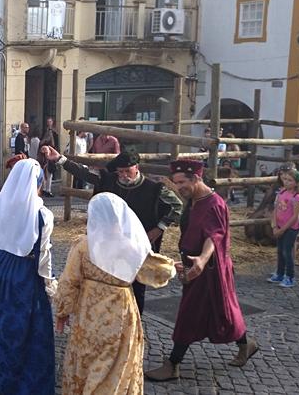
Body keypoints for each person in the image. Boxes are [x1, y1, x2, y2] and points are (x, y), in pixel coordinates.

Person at [146, 160, 257, 382]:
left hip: (209, 270)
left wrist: (201, 260)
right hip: (194, 265)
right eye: (175, 183)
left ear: (197, 179)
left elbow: (214, 236)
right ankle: (246, 343)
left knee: (189, 313)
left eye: (182, 183)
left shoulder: (213, 204)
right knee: (223, 312)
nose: (178, 187)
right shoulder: (194, 199)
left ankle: (173, 364)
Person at [54, 193, 176, 394]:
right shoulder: (132, 247)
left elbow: (69, 282)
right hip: (120, 311)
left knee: (87, 355)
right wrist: (173, 266)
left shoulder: (83, 245)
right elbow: (159, 272)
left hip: (88, 311)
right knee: (116, 361)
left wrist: (62, 312)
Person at [43, 146, 182, 314]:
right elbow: (85, 173)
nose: (123, 175)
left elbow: (177, 207)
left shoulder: (154, 188)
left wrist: (158, 229)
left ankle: (135, 324)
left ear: (136, 167)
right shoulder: (109, 180)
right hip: (110, 246)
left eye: (127, 171)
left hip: (137, 247)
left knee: (137, 288)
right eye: (120, 172)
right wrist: (60, 159)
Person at [0, 157, 57, 395]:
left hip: (3, 266)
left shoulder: (2, 202)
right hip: (27, 273)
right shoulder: (43, 215)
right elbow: (44, 256)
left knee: (0, 318)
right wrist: (50, 284)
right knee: (26, 325)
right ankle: (24, 378)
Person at [267, 168, 299, 288]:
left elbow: (295, 216)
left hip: (290, 228)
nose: (287, 182)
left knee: (287, 252)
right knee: (280, 251)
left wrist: (282, 229)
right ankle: (279, 273)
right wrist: (274, 226)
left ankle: (290, 276)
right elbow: (275, 210)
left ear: (296, 183)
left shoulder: (297, 197)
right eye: (285, 179)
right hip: (279, 226)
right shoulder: (281, 193)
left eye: (290, 180)